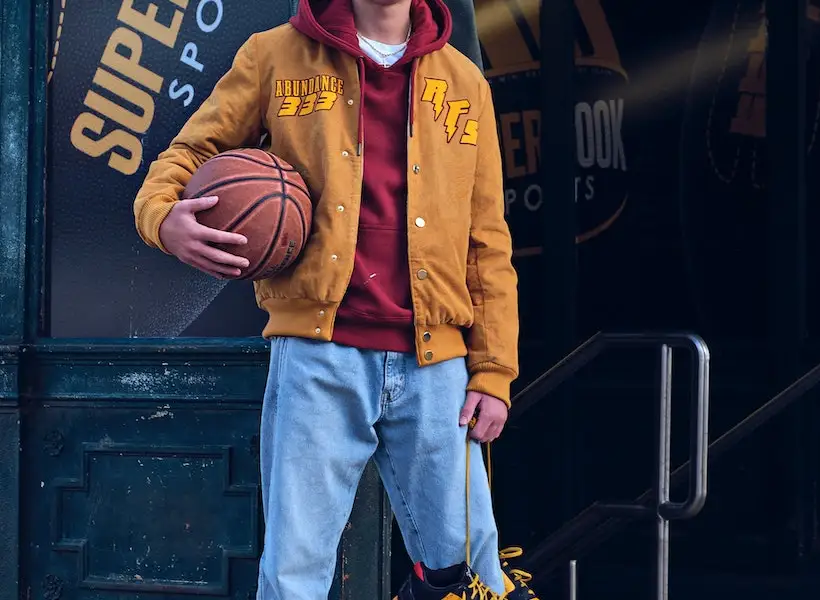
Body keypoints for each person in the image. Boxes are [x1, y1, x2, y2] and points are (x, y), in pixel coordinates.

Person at [133, 0, 528, 598]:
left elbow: (487, 240)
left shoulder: (464, 81)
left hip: (437, 367)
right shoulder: (274, 55)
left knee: (471, 574)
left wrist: (494, 370)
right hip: (318, 358)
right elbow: (188, 154)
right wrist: (163, 218)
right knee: (295, 574)